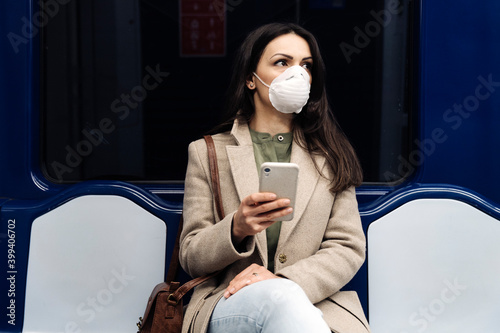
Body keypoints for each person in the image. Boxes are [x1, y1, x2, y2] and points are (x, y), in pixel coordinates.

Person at [179, 22, 370, 333]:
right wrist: (236, 227)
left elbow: (347, 247)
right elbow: (191, 256)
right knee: (278, 301)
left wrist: (285, 281)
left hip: (312, 303)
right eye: (282, 62)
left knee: (283, 299)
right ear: (250, 79)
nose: (297, 74)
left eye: (305, 65)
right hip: (230, 300)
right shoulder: (206, 152)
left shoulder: (332, 155)